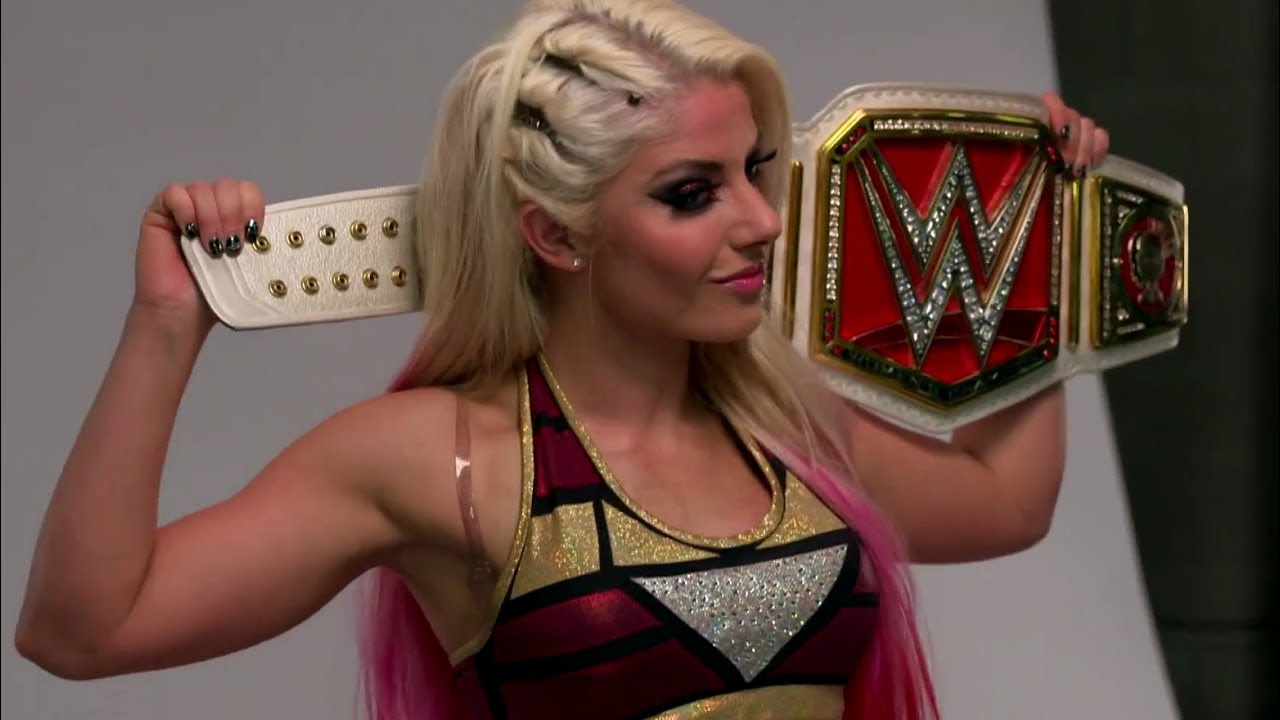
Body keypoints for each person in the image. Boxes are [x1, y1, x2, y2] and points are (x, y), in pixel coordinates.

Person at [13, 0, 1110, 718]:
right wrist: (168, 324)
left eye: (754, 168)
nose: (761, 220)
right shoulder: (442, 458)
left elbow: (1005, 503)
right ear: (556, 235)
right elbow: (83, 631)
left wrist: (1044, 230)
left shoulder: (785, 426)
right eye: (692, 193)